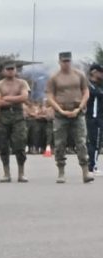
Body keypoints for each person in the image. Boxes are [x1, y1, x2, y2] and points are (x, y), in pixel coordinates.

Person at [45, 51, 93, 184]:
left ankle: (85, 171)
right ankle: (61, 171)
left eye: (68, 61)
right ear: (59, 62)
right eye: (64, 61)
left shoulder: (79, 75)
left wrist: (80, 107)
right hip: (61, 114)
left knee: (81, 142)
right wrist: (59, 109)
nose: (66, 63)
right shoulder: (54, 78)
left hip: (77, 112)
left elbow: (86, 91)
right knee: (60, 143)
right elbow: (50, 95)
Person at [0, 62, 30, 183]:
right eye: (7, 69)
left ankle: (21, 173)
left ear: (16, 70)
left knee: (20, 143)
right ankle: (6, 173)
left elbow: (24, 97)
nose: (10, 71)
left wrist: (7, 98)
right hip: (3, 115)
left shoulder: (22, 83)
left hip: (18, 115)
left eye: (12, 69)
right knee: (3, 145)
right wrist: (15, 99)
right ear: (3, 71)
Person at [88, 64, 102, 174]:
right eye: (100, 71)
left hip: (97, 118)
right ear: (94, 72)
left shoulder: (96, 86)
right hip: (94, 118)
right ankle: (92, 166)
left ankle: (92, 165)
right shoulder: (90, 86)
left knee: (95, 142)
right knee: (95, 143)